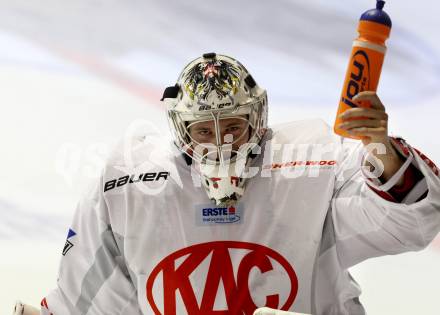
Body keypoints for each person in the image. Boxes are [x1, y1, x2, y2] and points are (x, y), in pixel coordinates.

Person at [21, 53, 440, 315]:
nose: (221, 143)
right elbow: (87, 301)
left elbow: (413, 221)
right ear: (179, 129)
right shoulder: (128, 182)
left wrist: (381, 148)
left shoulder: (313, 164)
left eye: (234, 126)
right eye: (204, 130)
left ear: (257, 119)